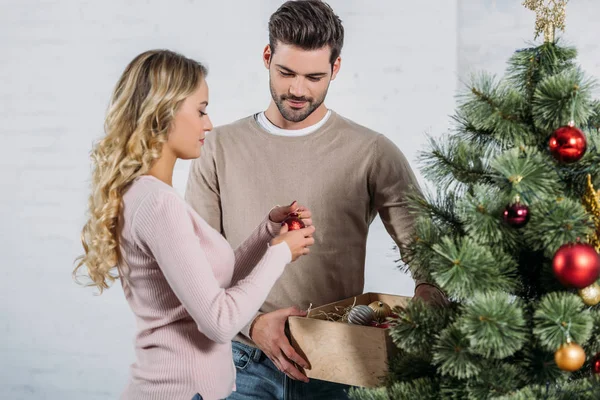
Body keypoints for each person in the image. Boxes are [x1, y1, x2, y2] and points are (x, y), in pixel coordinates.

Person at [185, 1, 447, 399]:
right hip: (240, 363)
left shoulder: (372, 151)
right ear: (267, 56)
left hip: (339, 365)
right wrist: (253, 324)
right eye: (286, 72)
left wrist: (429, 295)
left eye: (314, 76)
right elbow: (195, 270)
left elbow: (431, 253)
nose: (297, 89)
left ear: (336, 69)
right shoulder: (217, 147)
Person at [73, 49, 316, 400]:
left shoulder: (144, 195)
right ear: (164, 112)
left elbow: (212, 287)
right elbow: (219, 322)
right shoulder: (158, 204)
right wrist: (280, 255)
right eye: (201, 110)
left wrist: (267, 235)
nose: (209, 124)